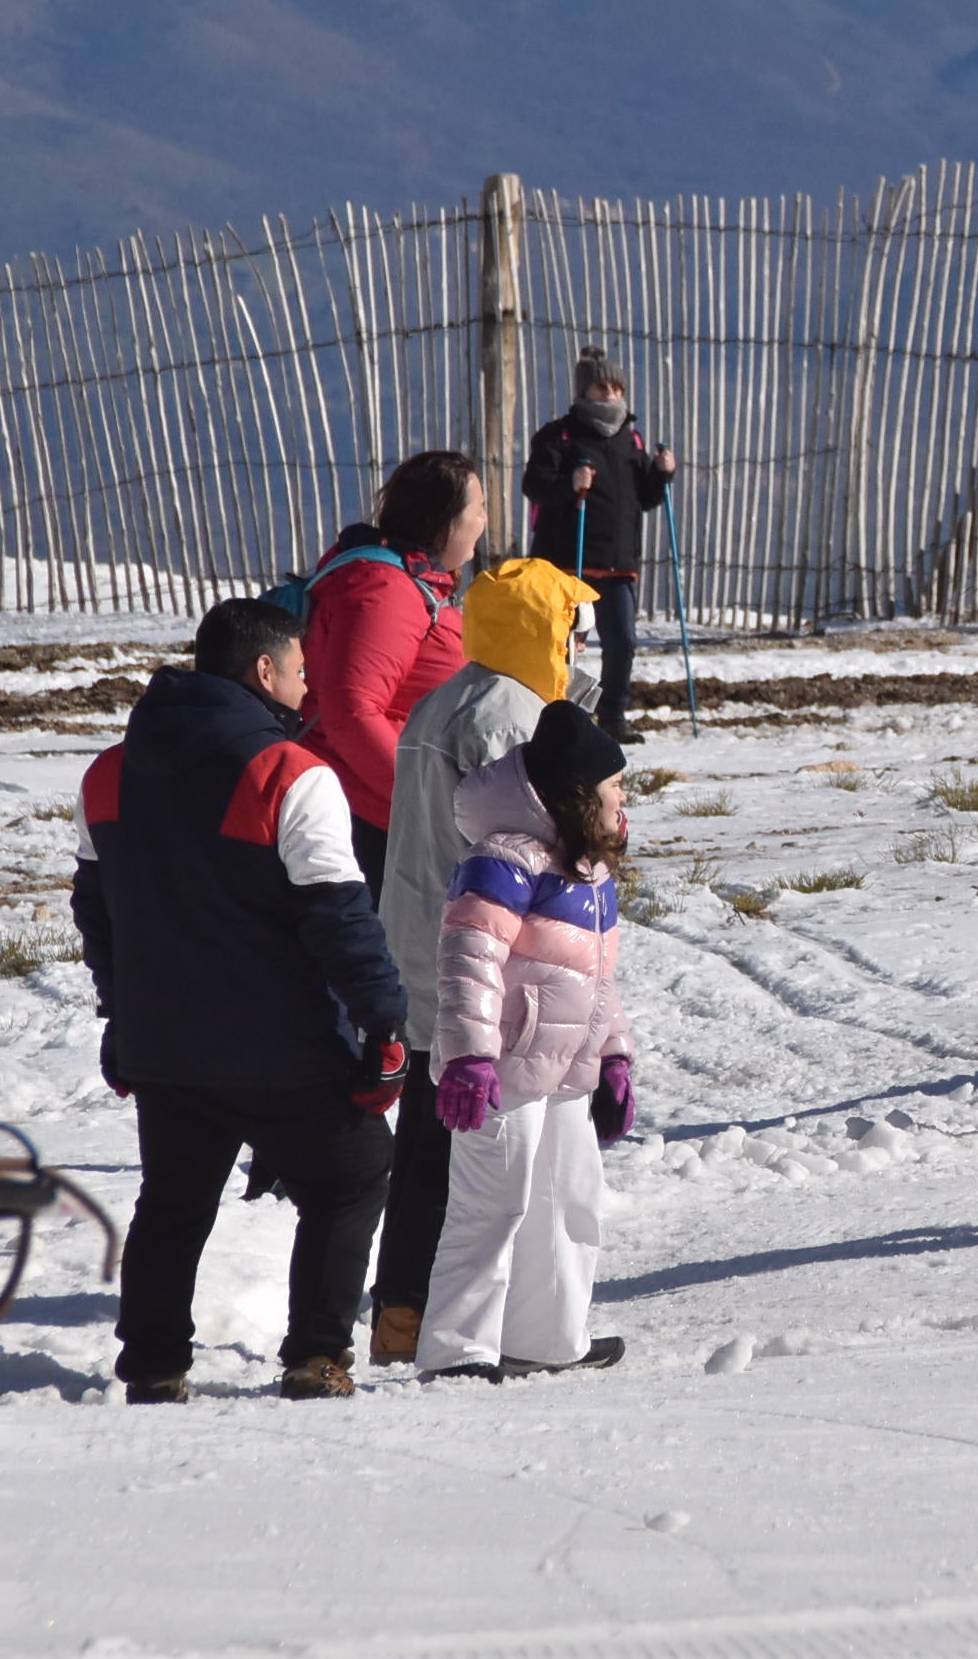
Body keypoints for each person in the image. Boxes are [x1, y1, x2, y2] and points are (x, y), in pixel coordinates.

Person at [72, 597, 408, 1403]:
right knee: (353, 1177)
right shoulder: (292, 774)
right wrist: (384, 1020)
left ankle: (153, 1365)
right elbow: (339, 916)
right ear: (263, 672)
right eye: (298, 672)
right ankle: (317, 1355)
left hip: (164, 1043)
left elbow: (98, 914)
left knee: (174, 1200)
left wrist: (123, 1013)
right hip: (281, 1047)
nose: (306, 689)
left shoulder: (107, 771)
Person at [366, 556, 603, 1365]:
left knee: (439, 1150)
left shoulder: (450, 697)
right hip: (490, 966)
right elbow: (534, 851)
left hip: (428, 945)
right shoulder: (514, 720)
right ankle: (437, 1329)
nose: (581, 645)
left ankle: (416, 1321)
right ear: (542, 631)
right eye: (571, 629)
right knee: (468, 1161)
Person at [419, 701, 636, 1382]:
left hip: (565, 1071)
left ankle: (547, 1339)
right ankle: (457, 1352)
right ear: (578, 796)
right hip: (505, 1072)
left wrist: (615, 1055)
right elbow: (466, 963)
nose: (624, 799)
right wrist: (470, 1057)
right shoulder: (502, 862)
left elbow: (594, 978)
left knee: (569, 1203)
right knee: (493, 1207)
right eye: (613, 787)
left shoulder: (587, 872)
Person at [300, 450, 485, 903]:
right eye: (478, 508)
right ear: (446, 521)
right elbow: (350, 712)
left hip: (382, 806)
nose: (485, 520)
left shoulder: (408, 582)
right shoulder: (386, 590)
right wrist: (417, 804)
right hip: (371, 818)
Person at [522, 348, 678, 744]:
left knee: (622, 642)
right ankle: (554, 714)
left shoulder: (632, 439)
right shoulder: (559, 435)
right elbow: (534, 487)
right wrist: (569, 484)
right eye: (602, 386)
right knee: (563, 644)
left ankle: (612, 717)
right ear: (584, 391)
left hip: (618, 560)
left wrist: (662, 476)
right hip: (567, 562)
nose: (611, 394)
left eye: (617, 387)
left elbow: (645, 498)